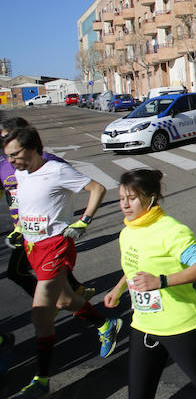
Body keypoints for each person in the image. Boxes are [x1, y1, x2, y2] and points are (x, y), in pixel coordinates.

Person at [104, 169, 196, 399]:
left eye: (132, 198)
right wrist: (118, 289)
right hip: (144, 323)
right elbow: (134, 268)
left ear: (151, 197)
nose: (125, 205)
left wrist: (161, 281)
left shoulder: (172, 231)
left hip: (182, 324)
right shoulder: (127, 232)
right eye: (121, 198)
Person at [2, 126, 123, 399]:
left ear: (32, 148)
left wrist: (84, 221)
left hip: (56, 245)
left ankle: (41, 380)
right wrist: (20, 229)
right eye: (7, 155)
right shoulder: (21, 174)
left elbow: (97, 188)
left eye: (15, 154)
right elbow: (28, 206)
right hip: (33, 247)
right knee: (64, 301)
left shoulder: (57, 170)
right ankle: (106, 325)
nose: (10, 161)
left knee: (40, 313)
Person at [1, 117, 93, 303]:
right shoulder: (5, 166)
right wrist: (18, 225)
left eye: (6, 137)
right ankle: (74, 296)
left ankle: (53, 303)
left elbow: (75, 187)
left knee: (18, 272)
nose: (4, 143)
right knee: (59, 285)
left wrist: (80, 220)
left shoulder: (49, 163)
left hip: (51, 234)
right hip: (24, 231)